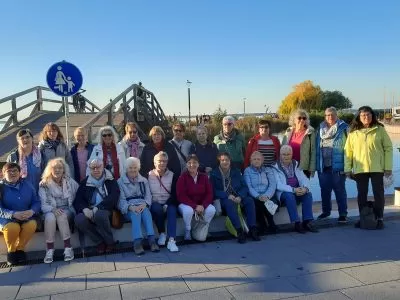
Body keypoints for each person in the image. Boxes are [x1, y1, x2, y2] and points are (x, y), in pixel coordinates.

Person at [344, 106, 393, 229]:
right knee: (362, 194)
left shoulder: (380, 130)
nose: (366, 117)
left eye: (368, 114)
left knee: (379, 194)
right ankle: (364, 218)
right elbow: (348, 152)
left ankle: (379, 218)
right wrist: (347, 169)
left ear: (372, 115)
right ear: (359, 117)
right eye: (363, 115)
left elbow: (388, 148)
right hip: (360, 168)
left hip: (378, 167)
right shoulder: (353, 132)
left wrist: (388, 167)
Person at [210, 152, 260, 243]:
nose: (225, 162)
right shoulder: (214, 174)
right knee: (229, 203)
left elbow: (244, 186)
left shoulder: (236, 171)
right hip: (224, 199)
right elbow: (213, 190)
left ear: (230, 161)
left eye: (227, 160)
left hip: (238, 196)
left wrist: (240, 196)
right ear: (219, 162)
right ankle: (239, 231)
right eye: (222, 160)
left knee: (249, 200)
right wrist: (227, 195)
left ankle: (253, 229)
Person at [74, 159, 119, 254]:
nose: (96, 170)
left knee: (99, 215)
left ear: (103, 167)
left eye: (98, 167)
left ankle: (110, 242)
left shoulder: (110, 179)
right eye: (93, 168)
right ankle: (99, 242)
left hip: (106, 208)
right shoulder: (85, 182)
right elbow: (78, 200)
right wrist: (84, 209)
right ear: (89, 169)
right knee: (79, 219)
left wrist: (98, 207)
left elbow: (114, 197)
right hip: (89, 209)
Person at [39, 158, 79, 263]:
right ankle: (50, 250)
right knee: (50, 217)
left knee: (61, 215)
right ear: (50, 170)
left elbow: (79, 194)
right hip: (50, 210)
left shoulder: (70, 181)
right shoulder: (44, 184)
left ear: (64, 170)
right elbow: (43, 204)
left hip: (67, 209)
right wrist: (53, 209)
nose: (57, 170)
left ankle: (68, 248)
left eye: (60, 168)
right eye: (54, 168)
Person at [0, 163, 40, 266]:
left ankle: (20, 249)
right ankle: (11, 252)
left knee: (31, 225)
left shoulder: (27, 184)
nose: (13, 173)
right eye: (9, 171)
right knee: (13, 228)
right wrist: (13, 214)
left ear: (19, 173)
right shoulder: (1, 187)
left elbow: (36, 201)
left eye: (15, 171)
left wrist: (32, 211)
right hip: (6, 218)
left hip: (26, 216)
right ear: (3, 174)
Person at [118, 157, 159, 255]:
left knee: (146, 213)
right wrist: (130, 207)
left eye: (135, 167)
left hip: (142, 205)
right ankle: (137, 243)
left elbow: (148, 195)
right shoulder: (120, 182)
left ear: (138, 168)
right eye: (130, 168)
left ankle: (152, 240)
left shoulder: (143, 180)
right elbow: (121, 200)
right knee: (135, 214)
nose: (133, 170)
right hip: (129, 207)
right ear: (126, 169)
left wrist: (145, 204)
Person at [272, 145, 318, 233]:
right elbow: (278, 185)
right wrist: (293, 190)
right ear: (280, 155)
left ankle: (307, 222)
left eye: (288, 154)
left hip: (297, 190)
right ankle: (296, 223)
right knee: (289, 196)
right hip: (283, 193)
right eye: (284, 154)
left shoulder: (296, 164)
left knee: (308, 195)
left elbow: (303, 178)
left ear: (292, 154)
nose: (286, 156)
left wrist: (305, 188)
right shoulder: (275, 167)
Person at [316, 107, 349, 223]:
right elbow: (317, 148)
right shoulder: (320, 129)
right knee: (324, 191)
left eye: (332, 115)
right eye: (327, 115)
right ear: (325, 116)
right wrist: (316, 166)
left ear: (337, 115)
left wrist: (348, 166)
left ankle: (343, 214)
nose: (330, 117)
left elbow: (349, 148)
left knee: (340, 190)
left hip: (338, 166)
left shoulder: (344, 128)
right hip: (323, 166)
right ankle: (326, 212)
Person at [177, 154, 216, 241]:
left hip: (201, 204)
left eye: (194, 162)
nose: (192, 165)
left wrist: (203, 205)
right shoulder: (182, 177)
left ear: (198, 164)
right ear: (186, 164)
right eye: (189, 163)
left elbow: (209, 193)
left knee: (211, 209)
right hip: (185, 204)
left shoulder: (204, 177)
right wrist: (194, 206)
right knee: (188, 211)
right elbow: (181, 196)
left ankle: (203, 228)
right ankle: (188, 230)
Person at [148, 151, 179, 252]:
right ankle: (162, 233)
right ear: (154, 162)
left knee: (172, 210)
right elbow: (146, 192)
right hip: (155, 202)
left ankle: (171, 240)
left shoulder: (172, 175)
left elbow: (175, 193)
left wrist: (167, 204)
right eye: (159, 161)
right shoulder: (148, 175)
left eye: (164, 161)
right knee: (157, 209)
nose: (162, 163)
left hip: (168, 202)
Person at [244, 151, 277, 234]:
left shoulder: (268, 170)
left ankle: (270, 223)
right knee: (257, 203)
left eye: (258, 159)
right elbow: (249, 187)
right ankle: (264, 224)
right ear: (251, 161)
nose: (256, 161)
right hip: (254, 195)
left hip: (267, 194)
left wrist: (267, 196)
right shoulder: (247, 171)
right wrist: (258, 196)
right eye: (254, 159)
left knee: (268, 202)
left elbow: (273, 184)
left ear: (262, 161)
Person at [282, 109, 316, 178]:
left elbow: (313, 152)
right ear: (294, 120)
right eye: (299, 118)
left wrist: (312, 168)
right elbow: (282, 149)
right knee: (289, 188)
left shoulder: (310, 133)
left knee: (303, 188)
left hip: (303, 168)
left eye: (304, 118)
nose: (302, 120)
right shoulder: (288, 131)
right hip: (288, 166)